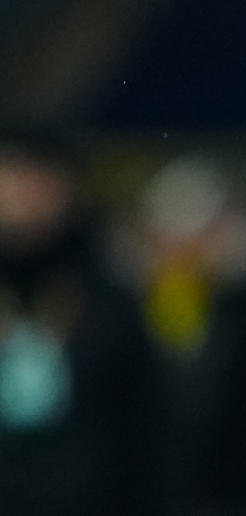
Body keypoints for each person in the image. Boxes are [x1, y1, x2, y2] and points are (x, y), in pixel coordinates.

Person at [0, 130, 160, 515]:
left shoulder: (108, 298)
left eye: (41, 177)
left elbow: (144, 428)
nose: (26, 192)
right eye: (14, 174)